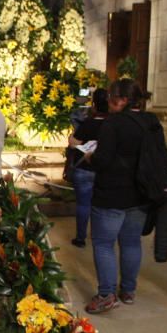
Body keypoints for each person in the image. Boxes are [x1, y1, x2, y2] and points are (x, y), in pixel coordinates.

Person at [84, 79, 154, 314]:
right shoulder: (151, 122)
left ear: (122, 100)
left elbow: (103, 160)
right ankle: (128, 291)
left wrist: (90, 157)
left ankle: (106, 294)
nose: (109, 103)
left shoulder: (114, 124)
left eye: (112, 98)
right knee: (132, 242)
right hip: (141, 193)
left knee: (104, 243)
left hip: (112, 193)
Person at [66, 88, 109, 248]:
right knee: (101, 206)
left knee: (83, 204)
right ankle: (99, 237)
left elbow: (73, 142)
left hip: (83, 168)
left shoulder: (88, 123)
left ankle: (81, 238)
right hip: (103, 169)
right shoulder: (112, 124)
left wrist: (75, 140)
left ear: (94, 105)